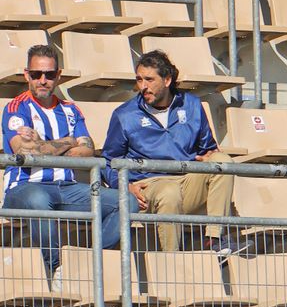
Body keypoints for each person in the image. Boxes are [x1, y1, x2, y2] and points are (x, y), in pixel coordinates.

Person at [101, 50, 239, 254]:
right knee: (169, 192)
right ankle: (171, 260)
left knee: (222, 161)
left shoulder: (191, 105)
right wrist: (124, 186)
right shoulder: (125, 114)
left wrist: (210, 154)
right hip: (149, 185)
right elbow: (109, 161)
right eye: (139, 80)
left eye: (149, 79)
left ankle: (215, 240)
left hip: (187, 179)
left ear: (167, 80)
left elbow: (207, 148)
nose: (143, 86)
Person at [4, 44, 114, 275]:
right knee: (38, 200)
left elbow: (88, 150)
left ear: (59, 76)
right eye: (36, 74)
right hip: (24, 188)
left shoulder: (71, 110)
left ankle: (92, 266)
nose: (43, 80)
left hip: (67, 187)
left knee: (125, 201)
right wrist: (69, 141)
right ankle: (53, 271)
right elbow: (27, 152)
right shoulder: (16, 107)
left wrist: (44, 144)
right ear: (27, 75)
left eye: (49, 75)